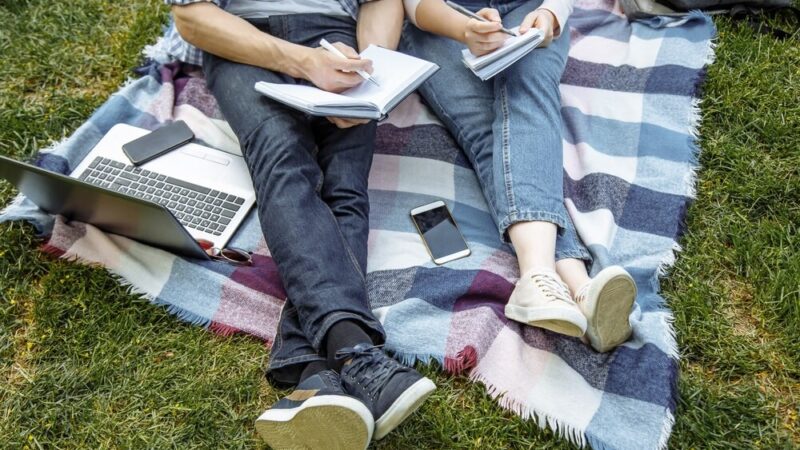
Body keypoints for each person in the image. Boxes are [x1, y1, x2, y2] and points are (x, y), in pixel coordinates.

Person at [166, 0, 435, 448]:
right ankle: (355, 353)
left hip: (341, 42)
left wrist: (371, 76)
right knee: (282, 157)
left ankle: (311, 374)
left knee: (345, 183)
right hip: (244, 39)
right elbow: (191, 17)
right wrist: (303, 61)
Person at [400, 0, 638, 352]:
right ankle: (577, 285)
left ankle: (538, 276)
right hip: (442, 21)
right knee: (486, 129)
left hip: (530, 11)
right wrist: (463, 29)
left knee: (528, 87)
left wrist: (551, 15)